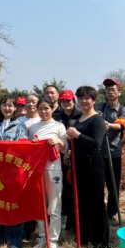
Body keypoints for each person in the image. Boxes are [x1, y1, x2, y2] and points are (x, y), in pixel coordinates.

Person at [65, 86, 108, 248]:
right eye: (81, 98)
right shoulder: (80, 119)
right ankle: (86, 237)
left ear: (94, 100)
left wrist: (77, 135)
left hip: (93, 164)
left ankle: (102, 242)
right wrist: (70, 153)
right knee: (83, 201)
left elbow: (95, 143)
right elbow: (80, 142)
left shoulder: (96, 119)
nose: (84, 101)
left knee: (97, 202)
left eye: (87, 98)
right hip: (79, 163)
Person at [0, 96, 29, 247]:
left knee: (13, 204)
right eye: (4, 105)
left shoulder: (20, 126)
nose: (7, 108)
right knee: (2, 205)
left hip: (13, 170)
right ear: (0, 107)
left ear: (15, 108)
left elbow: (24, 145)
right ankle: (2, 239)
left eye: (10, 106)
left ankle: (14, 242)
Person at [29, 99, 67, 248]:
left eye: (46, 108)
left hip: (54, 168)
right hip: (37, 170)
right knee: (40, 205)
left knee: (54, 205)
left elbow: (65, 149)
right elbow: (29, 149)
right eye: (41, 109)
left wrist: (58, 141)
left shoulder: (59, 126)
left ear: (52, 109)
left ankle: (53, 241)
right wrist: (33, 143)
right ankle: (42, 236)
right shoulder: (33, 127)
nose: (44, 111)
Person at [95, 79, 125, 225]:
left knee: (113, 184)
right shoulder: (100, 106)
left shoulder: (123, 110)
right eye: (108, 90)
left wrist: (108, 124)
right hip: (98, 152)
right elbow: (94, 118)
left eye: (113, 89)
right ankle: (98, 211)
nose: (110, 92)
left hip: (114, 152)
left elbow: (122, 125)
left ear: (119, 92)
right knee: (98, 184)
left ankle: (111, 213)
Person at [53, 89, 82, 234]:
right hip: (59, 157)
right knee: (62, 188)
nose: (66, 103)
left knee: (74, 189)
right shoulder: (56, 116)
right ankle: (64, 219)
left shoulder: (81, 115)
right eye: (63, 101)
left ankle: (74, 220)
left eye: (68, 101)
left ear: (73, 101)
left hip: (77, 156)